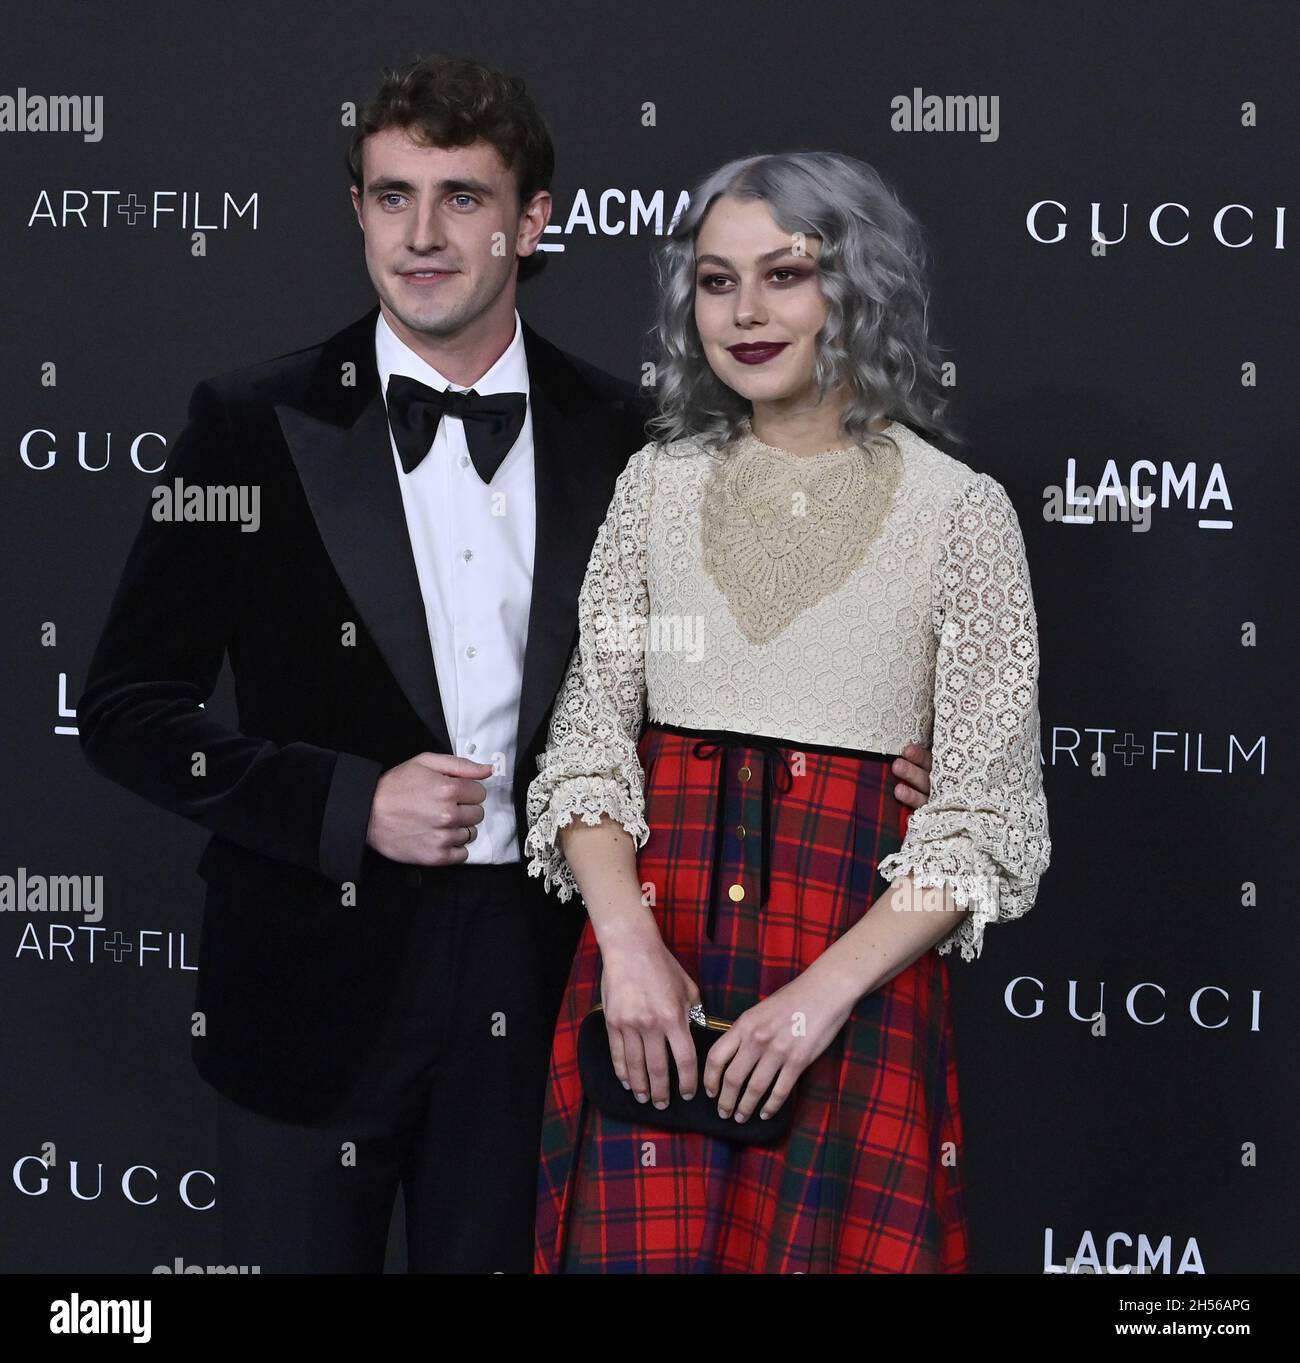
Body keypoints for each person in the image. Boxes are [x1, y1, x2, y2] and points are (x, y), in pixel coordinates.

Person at [73, 54, 941, 1273]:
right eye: (390, 197)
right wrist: (346, 799)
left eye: (462, 198)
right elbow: (124, 709)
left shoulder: (636, 443)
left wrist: (878, 759)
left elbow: (723, 678)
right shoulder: (249, 422)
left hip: (550, 988)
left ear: (532, 220)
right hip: (305, 992)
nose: (420, 237)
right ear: (360, 209)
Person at [524, 150, 1052, 1273]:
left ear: (855, 289)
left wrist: (817, 1001)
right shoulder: (654, 487)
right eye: (716, 282)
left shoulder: (962, 516)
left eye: (785, 275)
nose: (746, 312)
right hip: (650, 973)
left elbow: (982, 822)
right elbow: (586, 748)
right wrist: (625, 947)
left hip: (849, 982)